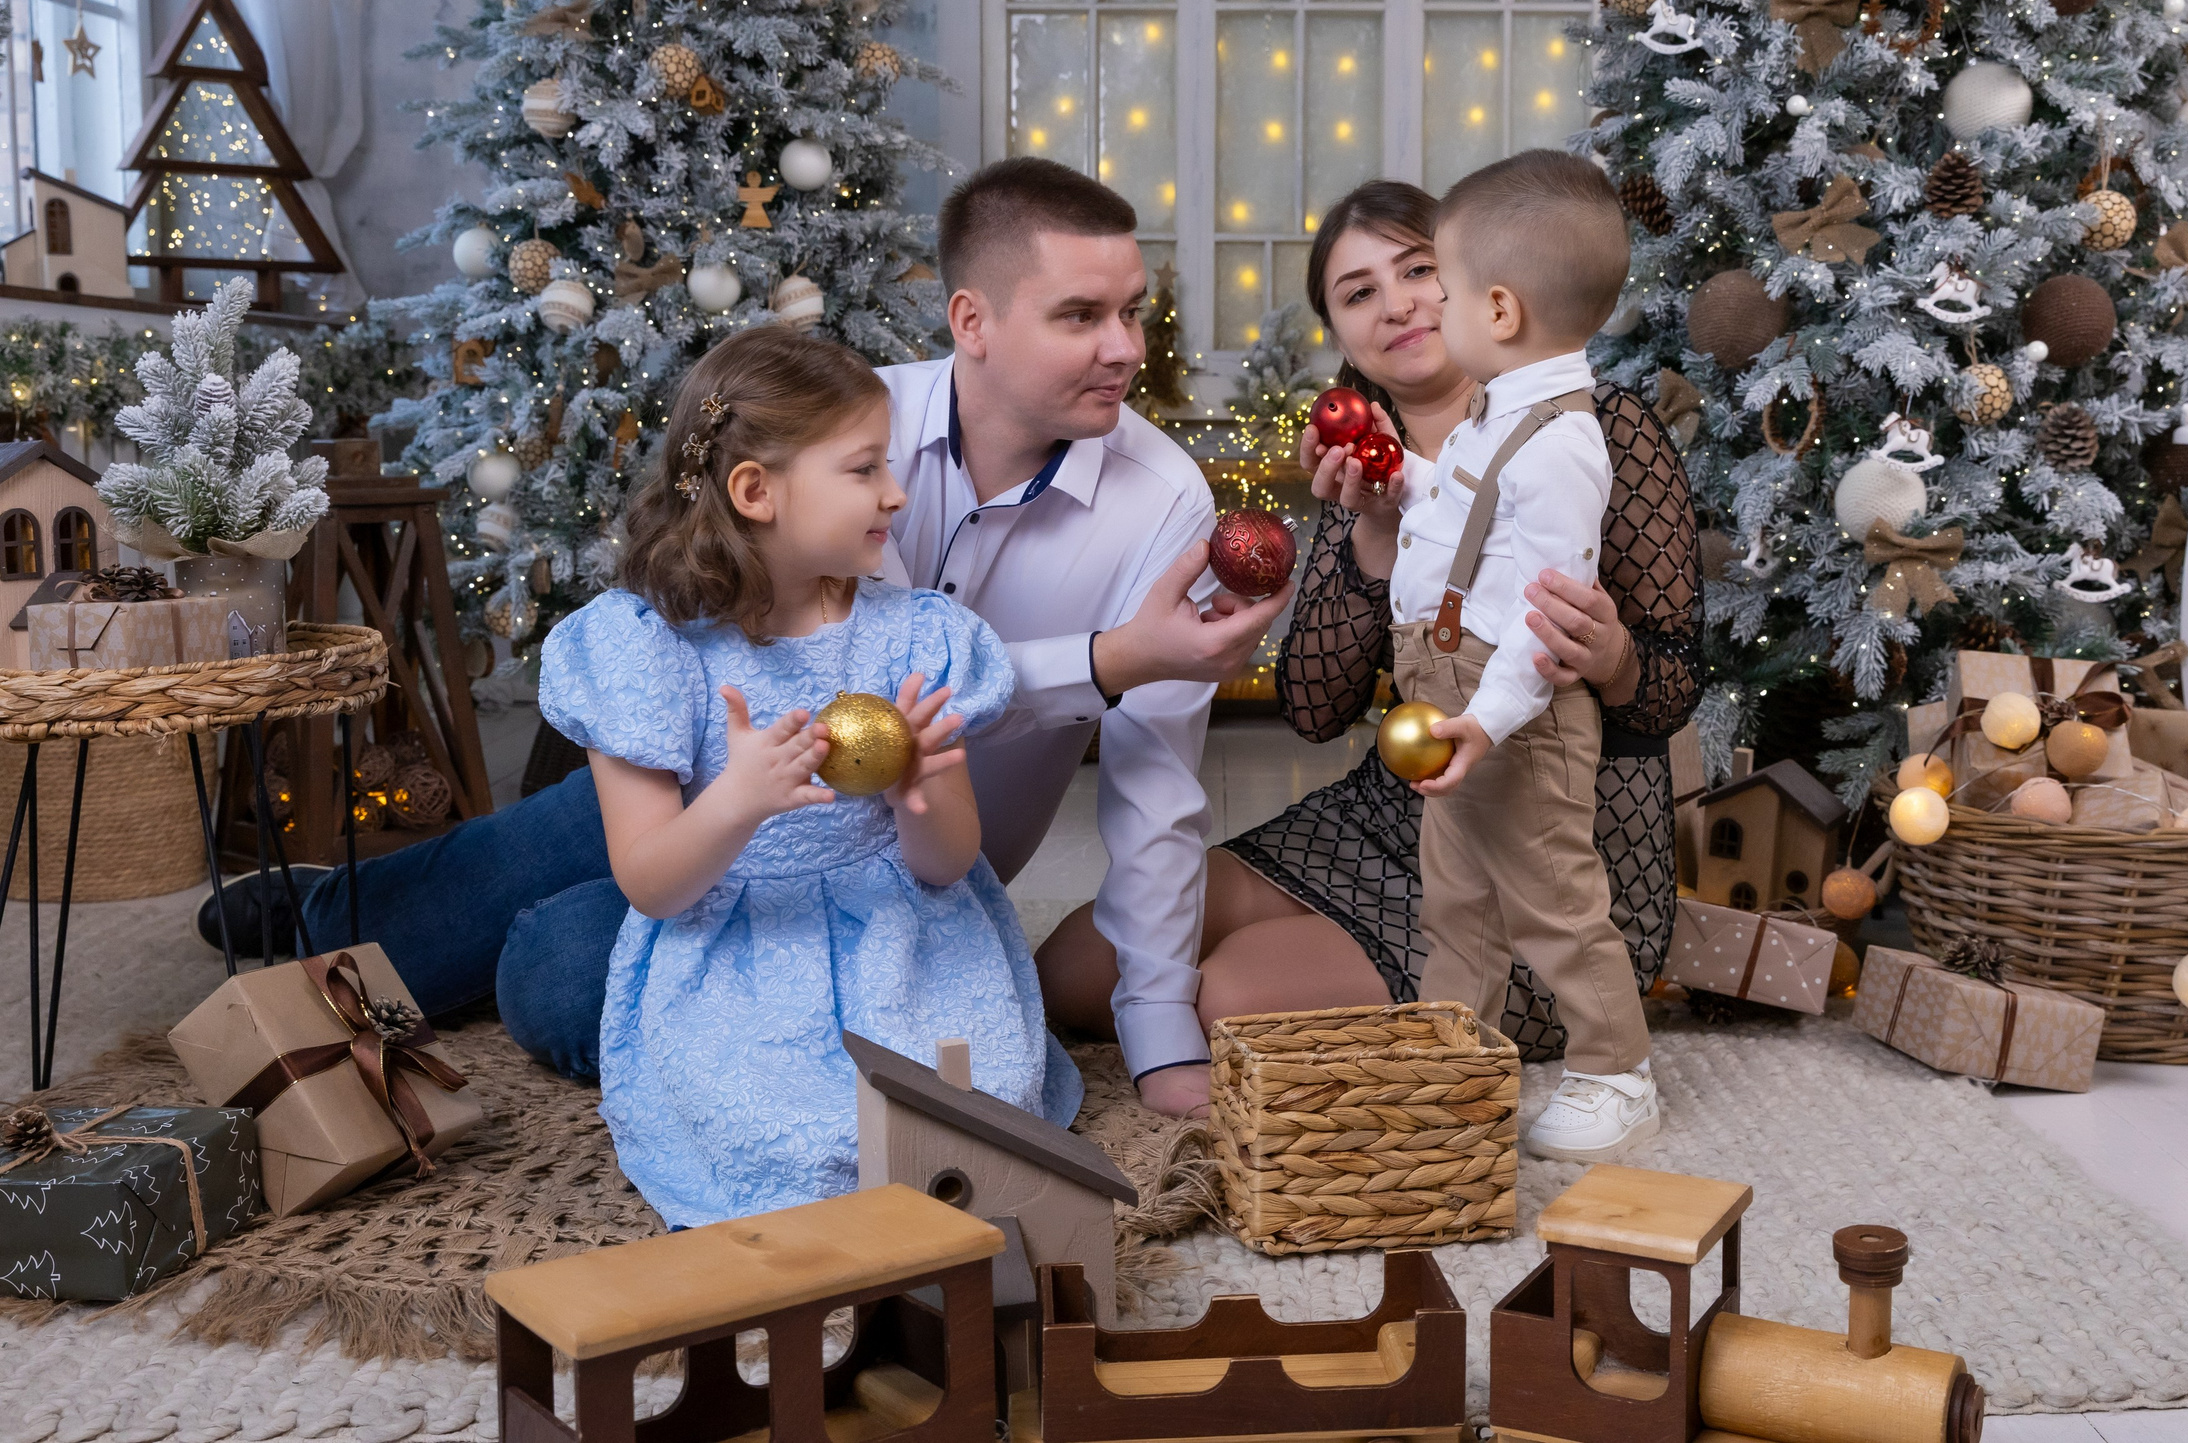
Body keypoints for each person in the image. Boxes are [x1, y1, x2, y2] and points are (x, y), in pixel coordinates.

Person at [210, 159, 1287, 1118]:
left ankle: (518, 932)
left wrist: (1158, 1033)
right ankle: (319, 920)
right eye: (1081, 315)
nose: (1124, 350)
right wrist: (1104, 662)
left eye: (1132, 313)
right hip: (729, 781)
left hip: (909, 868)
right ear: (973, 321)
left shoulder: (1162, 504)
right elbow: (805, 659)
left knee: (562, 964)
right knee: (586, 821)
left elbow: (1155, 792)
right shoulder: (859, 433)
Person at [1035, 178, 1704, 1109]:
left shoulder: (1593, 430)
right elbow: (1314, 709)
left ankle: (1556, 1044)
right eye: (1357, 292)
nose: (1397, 304)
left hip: (1555, 832)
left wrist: (1613, 657)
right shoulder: (1370, 461)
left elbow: (1673, 690)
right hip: (1399, 811)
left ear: (1485, 285)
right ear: (1340, 333)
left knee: (1228, 997)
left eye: (1420, 268)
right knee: (1074, 970)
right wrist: (1375, 535)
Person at [538, 327, 1062, 1225]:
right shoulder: (648, 646)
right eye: (863, 470)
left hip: (900, 935)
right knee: (783, 1133)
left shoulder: (916, 635)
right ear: (756, 491)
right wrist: (738, 801)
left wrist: (921, 794)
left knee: (969, 1110)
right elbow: (653, 883)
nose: (896, 494)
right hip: (740, 944)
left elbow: (948, 863)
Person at [1359, 150, 1654, 1161]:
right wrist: (1400, 482)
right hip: (1453, 699)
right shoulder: (1499, 411)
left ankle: (1617, 1070)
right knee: (1459, 900)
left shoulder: (1564, 442)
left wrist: (1486, 718)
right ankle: (1454, 1057)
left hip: (1515, 718)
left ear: (1498, 309)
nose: (1422, 309)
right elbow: (1460, 514)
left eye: (1434, 287)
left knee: (1554, 904)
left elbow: (1545, 612)